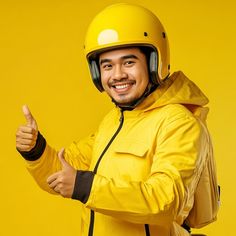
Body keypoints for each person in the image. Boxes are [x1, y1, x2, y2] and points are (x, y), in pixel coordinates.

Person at [16, 3, 218, 236]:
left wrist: (85, 187)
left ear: (154, 63)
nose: (118, 74)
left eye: (129, 62)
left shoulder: (179, 124)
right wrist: (35, 150)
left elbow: (167, 199)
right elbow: (63, 170)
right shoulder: (114, 122)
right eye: (107, 65)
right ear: (96, 73)